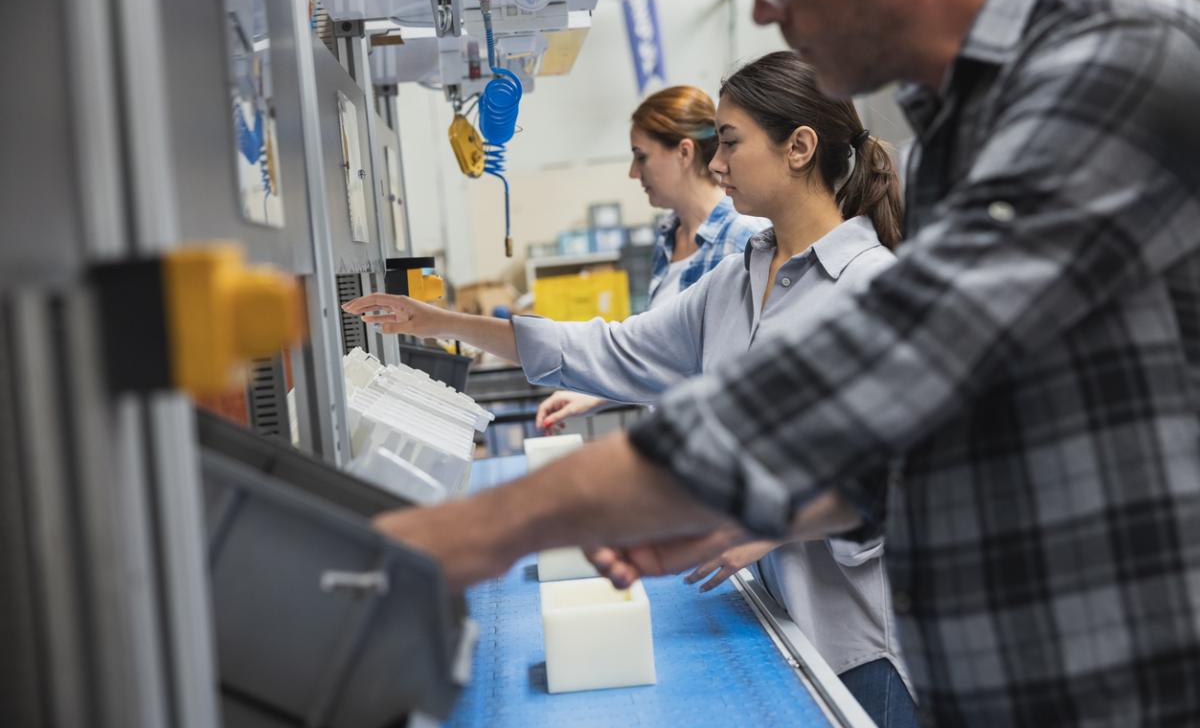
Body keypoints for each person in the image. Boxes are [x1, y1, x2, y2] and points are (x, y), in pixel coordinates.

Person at [367, 0, 1200, 724]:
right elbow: (939, 436)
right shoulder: (958, 123)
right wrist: (777, 509)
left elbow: (891, 369)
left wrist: (489, 525)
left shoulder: (1123, 60)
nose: (765, 9)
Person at [346, 51, 915, 725]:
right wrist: (444, 321)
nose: (719, 162)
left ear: (799, 147)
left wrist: (772, 523)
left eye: (730, 142)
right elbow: (610, 349)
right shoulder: (735, 280)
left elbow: (902, 482)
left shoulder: (874, 287)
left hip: (856, 651)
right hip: (772, 623)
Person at [535, 86, 767, 433]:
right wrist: (597, 395)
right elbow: (663, 353)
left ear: (684, 153)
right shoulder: (667, 238)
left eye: (640, 156)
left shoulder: (746, 239)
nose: (633, 172)